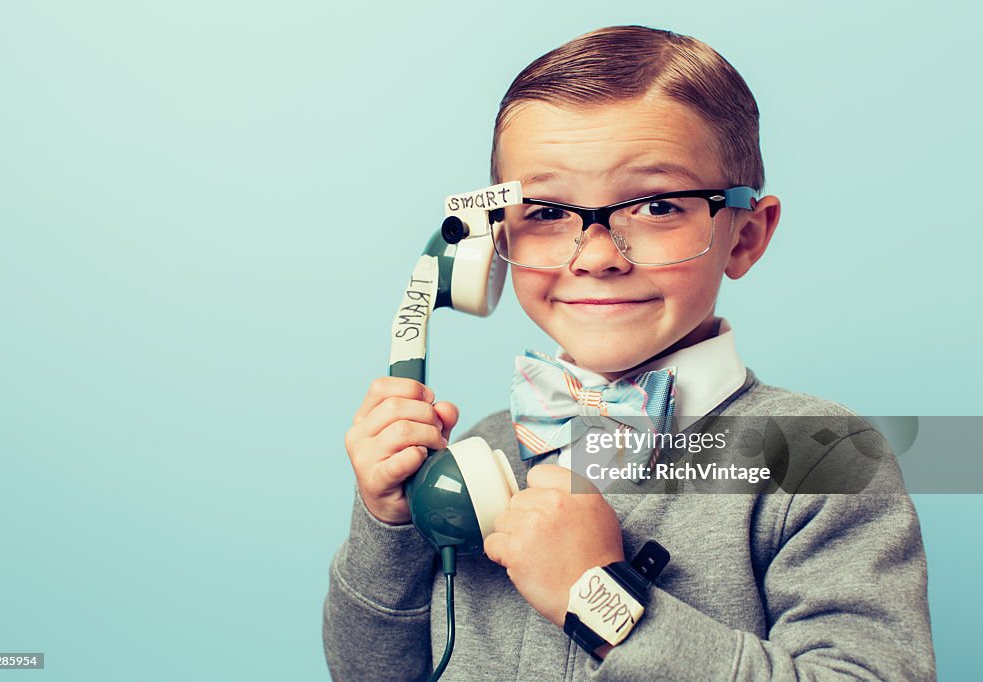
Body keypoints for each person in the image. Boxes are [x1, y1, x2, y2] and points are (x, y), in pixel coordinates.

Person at [323, 25, 936, 680]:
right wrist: (388, 525)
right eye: (548, 212)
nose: (597, 257)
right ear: (488, 247)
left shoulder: (823, 459)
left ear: (746, 235)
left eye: (658, 206)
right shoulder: (475, 463)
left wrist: (603, 600)